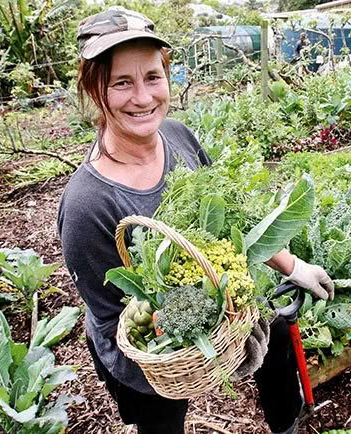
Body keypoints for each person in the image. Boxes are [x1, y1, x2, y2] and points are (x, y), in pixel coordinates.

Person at [57, 6, 334, 434]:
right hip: (149, 361)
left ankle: (287, 425)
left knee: (276, 335)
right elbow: (121, 328)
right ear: (96, 92)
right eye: (122, 83)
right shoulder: (87, 204)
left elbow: (234, 221)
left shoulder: (178, 136)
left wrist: (293, 266)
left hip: (218, 302)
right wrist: (211, 357)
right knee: (162, 422)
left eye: (152, 77)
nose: (144, 98)